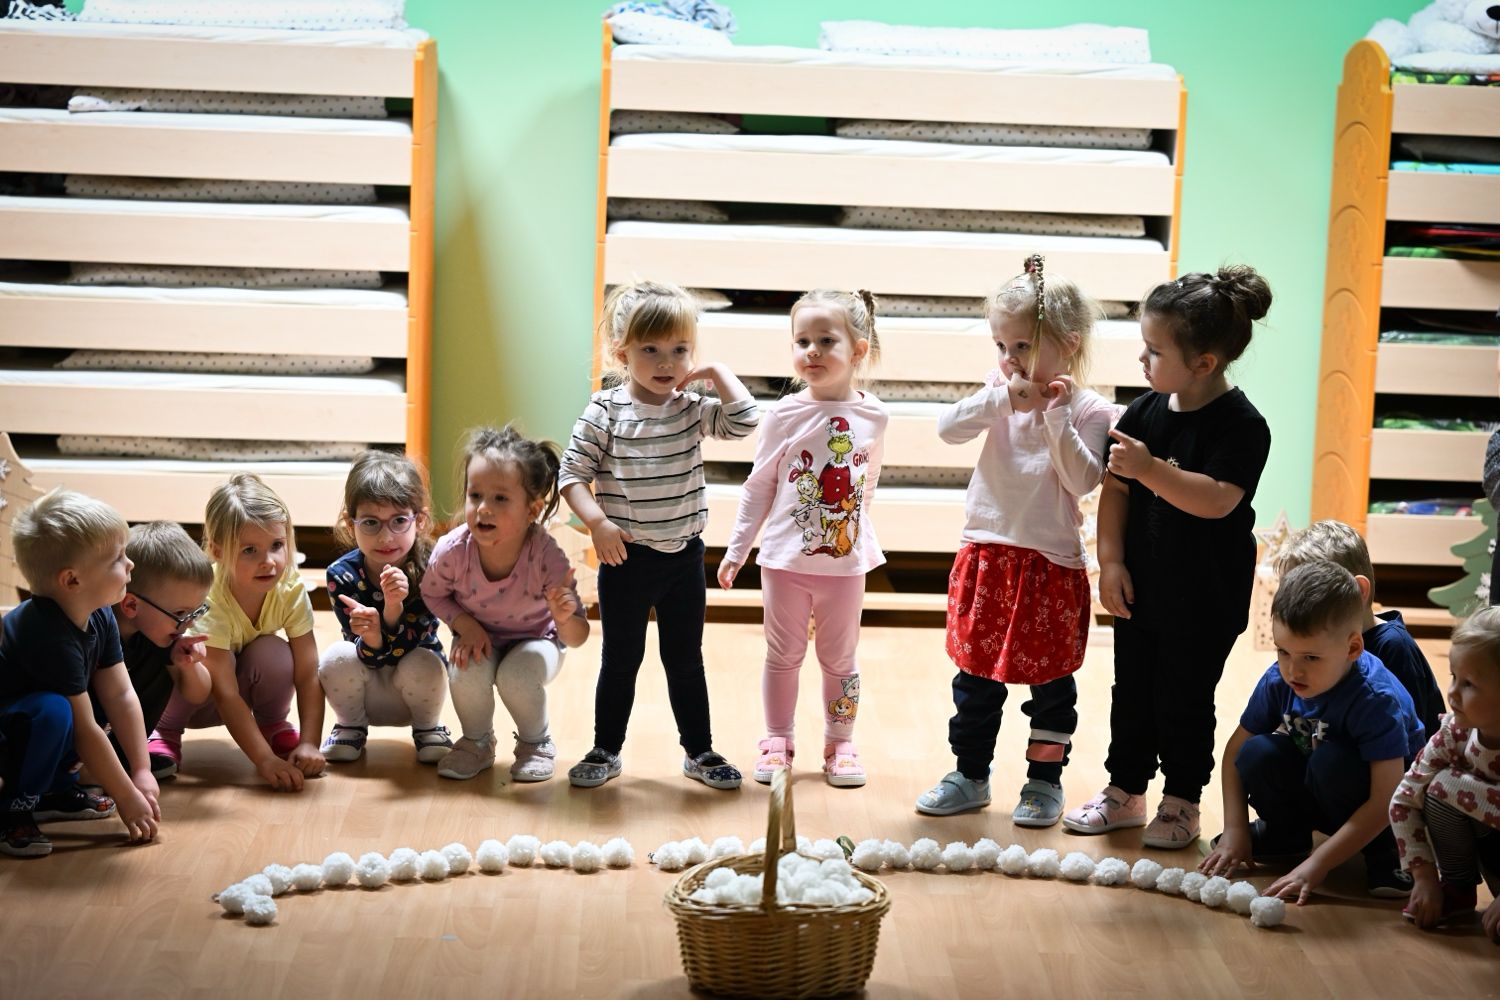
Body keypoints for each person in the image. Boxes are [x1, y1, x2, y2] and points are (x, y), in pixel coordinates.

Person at [1063, 265, 1273, 849]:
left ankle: (1182, 801)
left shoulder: (1242, 426)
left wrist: (1151, 468)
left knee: (1183, 700)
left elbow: (1218, 500)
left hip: (1205, 599)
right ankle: (1125, 792)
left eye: (1154, 351)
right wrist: (1111, 562)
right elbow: (1116, 491)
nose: (1143, 359)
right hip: (1143, 589)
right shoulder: (1144, 411)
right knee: (1131, 694)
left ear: (1203, 363)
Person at [914, 255, 1118, 826]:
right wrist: (1003, 398)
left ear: (1068, 345)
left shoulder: (1090, 409)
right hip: (988, 552)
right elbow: (947, 429)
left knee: (1051, 686)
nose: (1009, 358)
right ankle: (969, 774)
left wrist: (1054, 417)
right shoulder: (997, 391)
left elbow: (1082, 480)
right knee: (975, 679)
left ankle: (1044, 782)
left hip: (1050, 564)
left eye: (1023, 346)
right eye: (1001, 345)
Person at [559, 279, 757, 789]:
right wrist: (597, 523)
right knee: (620, 661)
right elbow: (572, 476)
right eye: (650, 349)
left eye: (679, 350)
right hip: (625, 561)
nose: (666, 362)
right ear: (622, 352)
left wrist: (716, 372)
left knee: (685, 661)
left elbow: (745, 421)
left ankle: (700, 750)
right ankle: (606, 748)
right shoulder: (605, 410)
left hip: (683, 560)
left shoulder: (690, 408)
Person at [719, 288, 888, 787]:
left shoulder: (875, 415)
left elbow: (868, 480)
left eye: (826, 341)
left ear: (857, 350)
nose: (811, 351)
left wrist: (852, 532)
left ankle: (840, 743)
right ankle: (777, 740)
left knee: (841, 659)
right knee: (782, 655)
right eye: (802, 341)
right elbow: (759, 486)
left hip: (845, 565)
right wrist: (736, 551)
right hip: (785, 563)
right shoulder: (783, 415)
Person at [1200, 560, 1424, 900]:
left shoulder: (1375, 699)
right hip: (1326, 788)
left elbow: (1386, 799)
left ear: (1352, 648)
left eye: (1311, 658)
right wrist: (1234, 829)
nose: (1293, 671)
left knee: (1331, 762)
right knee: (1258, 752)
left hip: (1390, 812)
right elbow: (1234, 753)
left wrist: (1317, 865)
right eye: (1283, 651)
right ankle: (1286, 836)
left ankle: (1386, 854)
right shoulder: (1279, 680)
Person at [421, 426, 587, 781]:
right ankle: (476, 742)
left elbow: (577, 637)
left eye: (500, 498)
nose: (483, 508)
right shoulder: (452, 551)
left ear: (532, 510)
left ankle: (536, 743)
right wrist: (465, 625)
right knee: (464, 670)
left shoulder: (546, 557)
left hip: (539, 640)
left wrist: (564, 617)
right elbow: (432, 593)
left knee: (516, 675)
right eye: (475, 495)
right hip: (480, 637)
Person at [0, 489, 159, 857]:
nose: (130, 564)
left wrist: (141, 769)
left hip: (41, 730)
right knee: (57, 710)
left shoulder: (99, 612)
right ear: (72, 581)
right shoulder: (46, 633)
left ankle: (53, 790)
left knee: (93, 702)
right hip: (11, 733)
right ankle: (13, 808)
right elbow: (84, 730)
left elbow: (120, 694)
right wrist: (126, 796)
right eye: (118, 558)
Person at [150, 475, 325, 790]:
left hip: (236, 693)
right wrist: (264, 760)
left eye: (276, 545)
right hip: (198, 699)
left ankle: (273, 725)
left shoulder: (290, 588)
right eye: (249, 550)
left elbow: (308, 672)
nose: (268, 562)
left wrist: (310, 742)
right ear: (217, 552)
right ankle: (164, 731)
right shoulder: (209, 596)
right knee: (191, 659)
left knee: (274, 651)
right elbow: (225, 693)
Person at [320, 451, 452, 765]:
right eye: (370, 523)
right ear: (350, 524)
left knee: (425, 660)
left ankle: (428, 728)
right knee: (336, 657)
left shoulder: (432, 569)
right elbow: (366, 655)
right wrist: (374, 635)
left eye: (399, 521)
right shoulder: (341, 575)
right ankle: (350, 726)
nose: (385, 537)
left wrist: (393, 608)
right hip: (364, 690)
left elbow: (414, 645)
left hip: (417, 691)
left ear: (420, 520)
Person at [1391, 605, 1500, 940]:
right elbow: (1404, 800)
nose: (1451, 693)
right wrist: (1424, 876)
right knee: (1439, 786)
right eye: (1453, 676)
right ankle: (1457, 887)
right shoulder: (1455, 732)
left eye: (1469, 684)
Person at [100, 521, 214, 779]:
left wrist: (189, 666)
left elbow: (198, 694)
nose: (189, 623)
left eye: (196, 611)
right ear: (131, 605)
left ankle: (126, 756)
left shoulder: (157, 633)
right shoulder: (97, 634)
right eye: (181, 613)